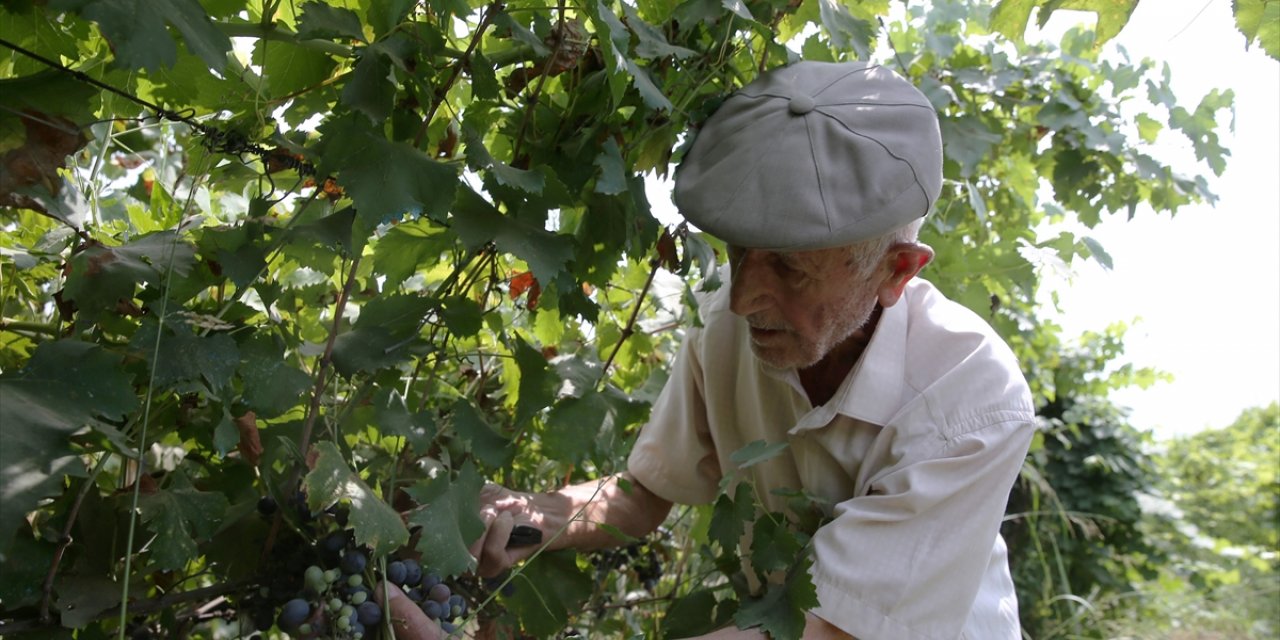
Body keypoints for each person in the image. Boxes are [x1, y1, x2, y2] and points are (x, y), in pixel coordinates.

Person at [383, 60, 1036, 639]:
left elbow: (826, 628)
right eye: (738, 251)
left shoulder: (970, 398)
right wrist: (526, 516)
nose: (742, 297)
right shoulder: (729, 329)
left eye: (789, 267)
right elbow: (640, 496)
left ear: (896, 272)